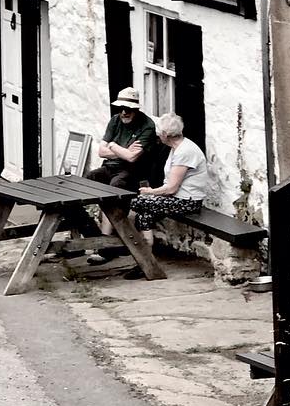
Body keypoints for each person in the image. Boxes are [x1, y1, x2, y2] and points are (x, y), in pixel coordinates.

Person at [125, 111, 211, 278]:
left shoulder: (185, 151)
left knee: (135, 203)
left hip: (187, 201)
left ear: (165, 134)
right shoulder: (176, 147)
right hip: (177, 198)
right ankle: (146, 261)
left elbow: (171, 188)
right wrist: (152, 194)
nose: (157, 135)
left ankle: (143, 256)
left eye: (159, 132)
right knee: (145, 213)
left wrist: (151, 192)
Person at [84, 86, 158, 262]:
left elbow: (132, 158)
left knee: (114, 189)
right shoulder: (115, 120)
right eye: (121, 108)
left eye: (128, 109)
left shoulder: (147, 126)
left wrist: (112, 146)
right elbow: (101, 152)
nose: (124, 112)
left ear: (136, 109)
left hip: (132, 172)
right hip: (110, 166)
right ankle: (89, 233)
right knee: (86, 182)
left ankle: (105, 246)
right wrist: (121, 150)